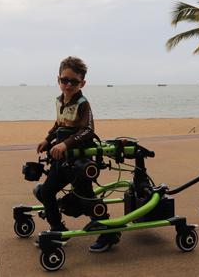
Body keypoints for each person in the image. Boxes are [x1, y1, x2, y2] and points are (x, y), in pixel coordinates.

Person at [35, 56, 119, 252]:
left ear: (82, 83)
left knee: (86, 199)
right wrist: (48, 140)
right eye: (65, 80)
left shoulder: (82, 103)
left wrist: (65, 144)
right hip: (61, 160)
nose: (68, 85)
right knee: (47, 192)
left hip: (78, 160)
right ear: (58, 80)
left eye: (74, 81)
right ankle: (57, 229)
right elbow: (59, 124)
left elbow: (88, 130)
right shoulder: (60, 100)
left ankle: (110, 234)